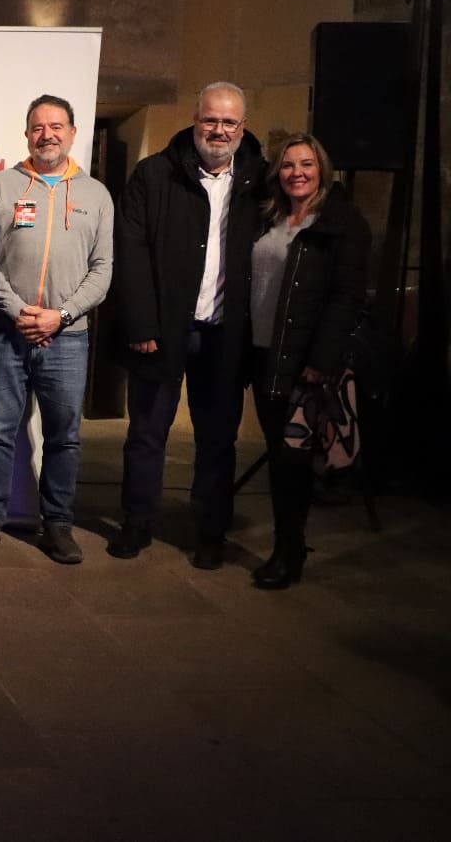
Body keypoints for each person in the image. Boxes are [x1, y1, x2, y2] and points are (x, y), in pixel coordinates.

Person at [111, 82, 265, 568]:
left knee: (218, 440)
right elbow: (130, 250)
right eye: (210, 119)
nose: (218, 130)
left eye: (229, 122)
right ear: (195, 120)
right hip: (162, 331)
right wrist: (141, 323)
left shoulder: (261, 181)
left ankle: (211, 531)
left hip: (226, 335)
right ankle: (137, 523)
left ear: (242, 127)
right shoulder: (154, 174)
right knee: (146, 434)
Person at [0, 95, 113, 564]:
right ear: (27, 133)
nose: (47, 135)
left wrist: (62, 315)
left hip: (68, 338)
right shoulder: (1, 185)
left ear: (72, 133)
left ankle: (57, 524)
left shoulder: (96, 195)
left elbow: (103, 269)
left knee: (64, 436)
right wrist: (17, 311)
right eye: (38, 127)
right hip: (6, 333)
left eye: (56, 127)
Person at [246, 134, 368, 589]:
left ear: (322, 170)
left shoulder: (341, 222)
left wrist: (320, 360)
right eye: (287, 165)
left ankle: (288, 550)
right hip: (262, 354)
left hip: (303, 362)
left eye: (306, 164)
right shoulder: (270, 218)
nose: (296, 172)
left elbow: (347, 298)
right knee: (280, 457)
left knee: (292, 460)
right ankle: (289, 544)